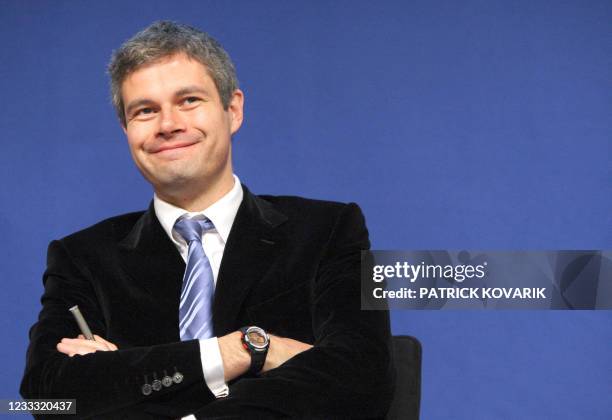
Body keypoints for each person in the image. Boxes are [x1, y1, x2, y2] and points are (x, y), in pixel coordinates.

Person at [20, 21, 394, 419]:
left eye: (189, 101)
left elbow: (363, 379)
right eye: (145, 110)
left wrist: (126, 379)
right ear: (126, 129)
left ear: (233, 110)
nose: (168, 125)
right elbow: (50, 397)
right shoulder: (81, 258)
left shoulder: (329, 231)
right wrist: (245, 350)